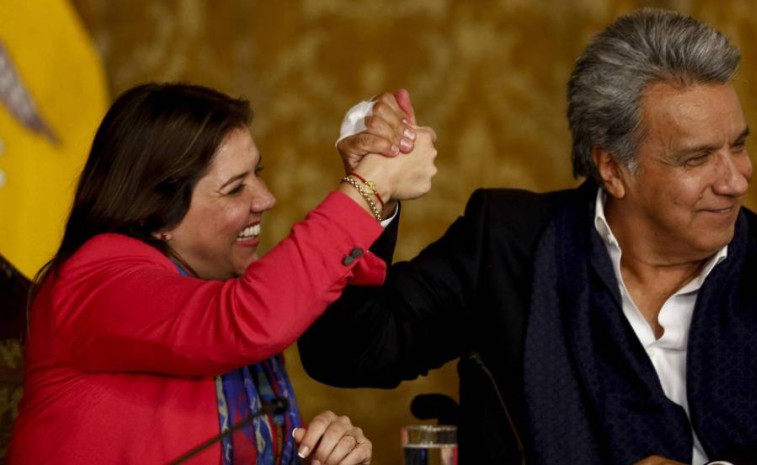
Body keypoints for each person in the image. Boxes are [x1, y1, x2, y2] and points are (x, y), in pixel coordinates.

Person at [298, 8, 757, 465]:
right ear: (613, 169)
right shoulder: (506, 244)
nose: (736, 179)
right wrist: (370, 195)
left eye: (738, 146)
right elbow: (348, 353)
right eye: (698, 158)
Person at [6, 82, 438, 465]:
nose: (266, 199)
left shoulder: (214, 290)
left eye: (258, 175)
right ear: (158, 217)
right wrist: (371, 184)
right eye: (235, 188)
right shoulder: (94, 278)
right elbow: (250, 318)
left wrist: (317, 454)